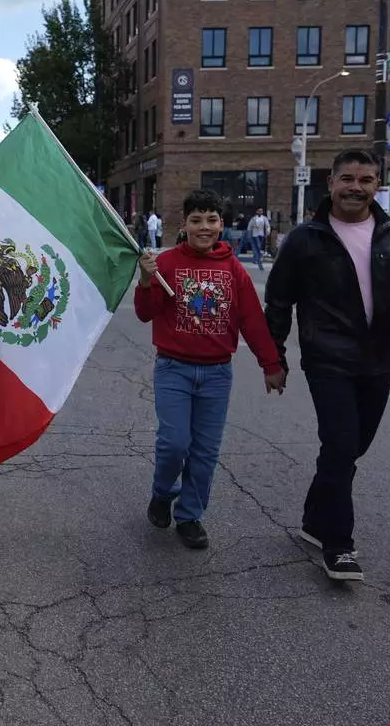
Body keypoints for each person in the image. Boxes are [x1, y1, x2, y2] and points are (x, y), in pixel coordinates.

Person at [264, 148, 390, 582]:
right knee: (340, 445)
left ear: (377, 186)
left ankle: (315, 519)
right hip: (327, 359)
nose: (356, 187)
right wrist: (273, 359)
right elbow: (277, 303)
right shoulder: (304, 239)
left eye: (366, 180)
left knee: (352, 448)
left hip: (378, 360)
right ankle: (338, 544)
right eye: (348, 178)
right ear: (331, 183)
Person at [136, 189, 287, 549]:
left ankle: (190, 515)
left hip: (217, 374)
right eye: (196, 220)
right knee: (174, 444)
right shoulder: (167, 263)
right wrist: (145, 280)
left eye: (211, 220)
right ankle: (162, 493)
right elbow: (144, 313)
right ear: (184, 224)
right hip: (173, 369)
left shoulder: (233, 269)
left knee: (204, 452)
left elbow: (252, 320)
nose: (204, 227)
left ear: (221, 224)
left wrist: (271, 364)